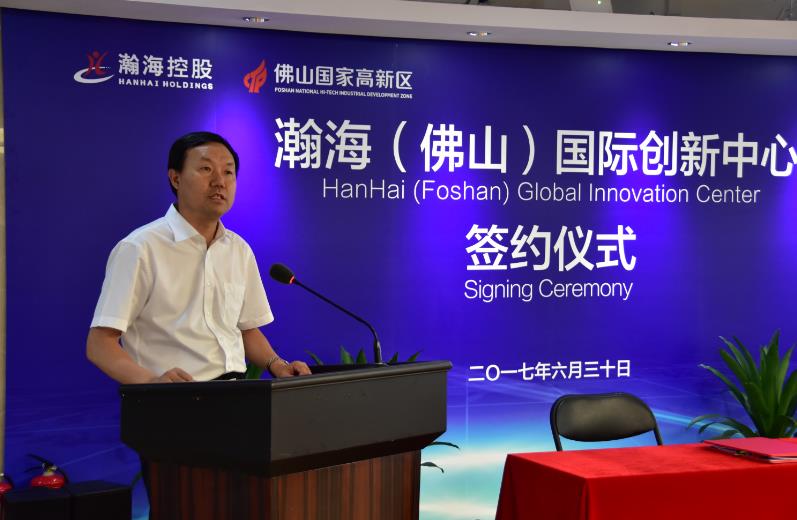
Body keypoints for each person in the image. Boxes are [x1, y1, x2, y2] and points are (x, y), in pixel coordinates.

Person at [86, 131, 310, 383]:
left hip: (238, 394)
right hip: (174, 398)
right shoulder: (140, 248)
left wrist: (276, 364)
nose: (219, 181)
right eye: (206, 169)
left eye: (228, 172)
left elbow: (246, 330)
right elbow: (99, 344)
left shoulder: (239, 250)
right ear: (175, 178)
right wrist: (152, 383)